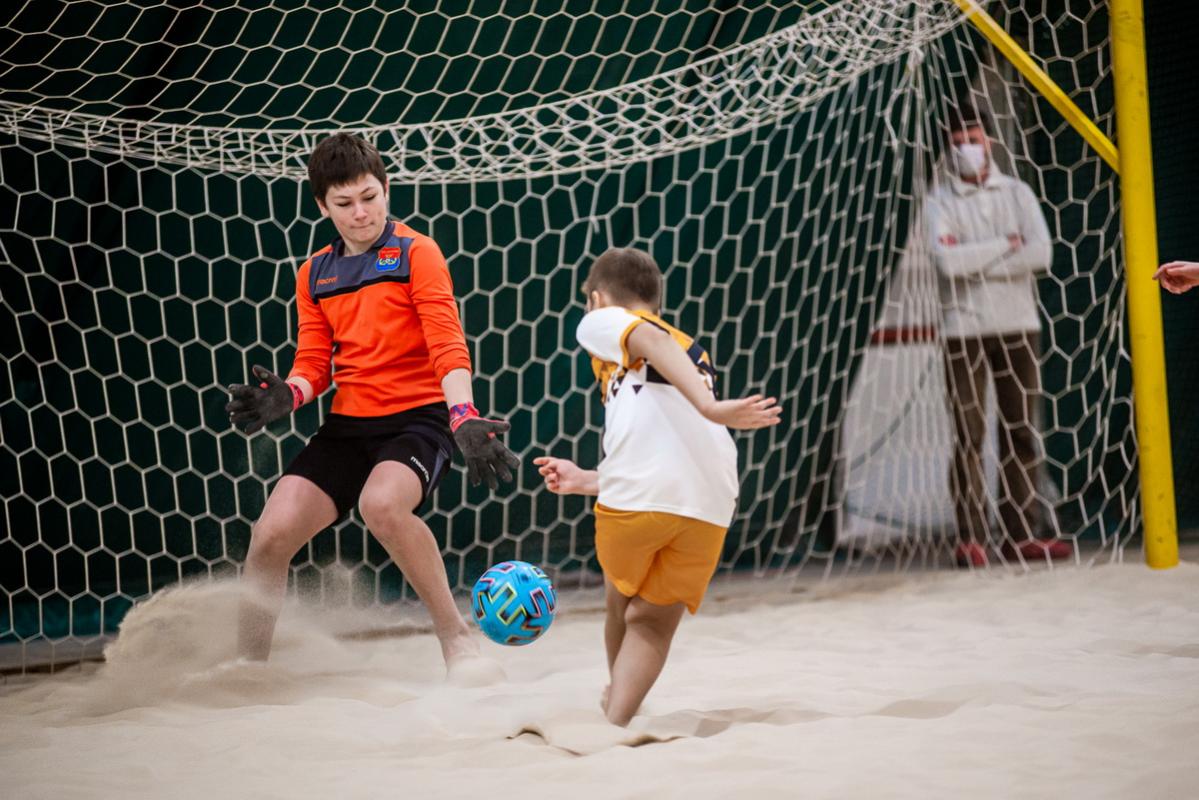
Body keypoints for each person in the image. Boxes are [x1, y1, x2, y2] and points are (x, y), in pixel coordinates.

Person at [225, 133, 519, 681]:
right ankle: (246, 669)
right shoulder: (314, 273)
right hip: (349, 425)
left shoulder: (417, 252)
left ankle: (459, 644)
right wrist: (289, 393)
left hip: (420, 420)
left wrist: (462, 414)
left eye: (369, 197)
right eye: (345, 203)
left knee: (381, 506)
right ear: (322, 206)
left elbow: (447, 343)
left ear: (386, 189)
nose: (360, 212)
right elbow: (314, 363)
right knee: (269, 535)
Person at [534, 248, 781, 726]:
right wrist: (588, 479)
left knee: (619, 604)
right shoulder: (692, 351)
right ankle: (618, 717)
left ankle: (613, 719)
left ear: (596, 298)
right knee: (653, 622)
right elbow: (667, 450)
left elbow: (645, 335)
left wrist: (712, 409)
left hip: (641, 502)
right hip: (710, 503)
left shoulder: (605, 321)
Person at [926, 105, 1073, 567]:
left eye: (973, 139)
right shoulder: (937, 201)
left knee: (1021, 431)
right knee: (968, 435)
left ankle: (1020, 534)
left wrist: (975, 257)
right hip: (963, 330)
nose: (966, 148)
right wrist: (1006, 245)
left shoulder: (1017, 192)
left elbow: (1041, 254)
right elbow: (947, 264)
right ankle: (970, 538)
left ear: (989, 140)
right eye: (957, 142)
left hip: (1018, 325)